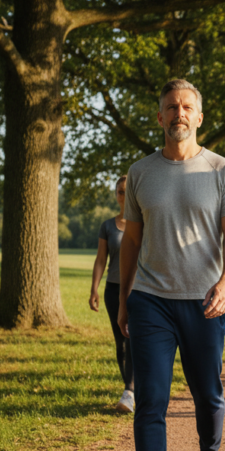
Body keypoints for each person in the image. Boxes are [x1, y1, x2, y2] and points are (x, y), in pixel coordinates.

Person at [117, 79, 225, 451]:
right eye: (171, 107)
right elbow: (131, 241)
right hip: (151, 300)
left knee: (206, 394)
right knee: (151, 399)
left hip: (205, 300)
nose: (179, 113)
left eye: (187, 107)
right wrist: (125, 299)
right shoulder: (140, 172)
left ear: (199, 117)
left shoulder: (221, 169)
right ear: (159, 116)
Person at [88, 176, 134, 413]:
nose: (123, 196)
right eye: (120, 191)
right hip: (113, 290)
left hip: (138, 290)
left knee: (133, 339)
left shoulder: (144, 222)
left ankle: (130, 391)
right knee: (120, 342)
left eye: (127, 191)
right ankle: (130, 390)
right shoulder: (107, 226)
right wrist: (94, 289)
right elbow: (100, 260)